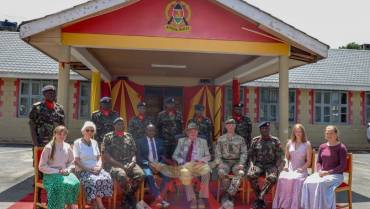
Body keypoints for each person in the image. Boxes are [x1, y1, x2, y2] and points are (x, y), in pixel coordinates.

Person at [301, 125, 348, 209]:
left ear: (336, 134)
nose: (329, 135)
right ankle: (310, 206)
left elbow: (342, 166)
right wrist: (319, 171)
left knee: (320, 184)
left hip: (336, 175)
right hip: (322, 173)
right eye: (327, 133)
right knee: (307, 182)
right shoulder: (322, 146)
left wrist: (328, 172)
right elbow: (318, 161)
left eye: (331, 133)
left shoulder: (341, 148)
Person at [102, 117, 144, 209]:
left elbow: (133, 152)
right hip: (114, 165)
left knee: (141, 174)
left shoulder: (129, 136)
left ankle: (126, 198)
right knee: (122, 175)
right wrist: (122, 166)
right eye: (118, 124)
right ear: (114, 126)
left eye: (122, 123)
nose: (121, 125)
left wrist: (133, 161)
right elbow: (107, 157)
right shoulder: (108, 137)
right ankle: (130, 200)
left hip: (129, 163)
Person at [73, 121, 113, 209]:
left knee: (107, 177)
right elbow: (76, 161)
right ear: (83, 131)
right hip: (83, 170)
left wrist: (99, 167)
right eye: (87, 130)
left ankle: (95, 202)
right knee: (94, 180)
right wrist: (88, 169)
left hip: (95, 169)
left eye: (92, 130)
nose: (89, 132)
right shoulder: (77, 143)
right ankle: (99, 204)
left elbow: (99, 158)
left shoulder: (94, 142)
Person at [38, 126, 80, 209]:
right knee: (59, 184)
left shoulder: (67, 146)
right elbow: (41, 166)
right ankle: (57, 207)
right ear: (55, 134)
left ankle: (69, 205)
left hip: (64, 173)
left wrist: (67, 169)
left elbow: (72, 162)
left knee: (76, 182)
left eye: (64, 134)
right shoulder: (48, 147)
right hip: (50, 175)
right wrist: (57, 171)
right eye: (60, 134)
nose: (62, 136)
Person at [272, 124, 312, 209]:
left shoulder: (307, 144)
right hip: (290, 168)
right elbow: (286, 158)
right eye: (296, 131)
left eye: (300, 131)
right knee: (282, 177)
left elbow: (308, 162)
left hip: (301, 168)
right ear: (293, 132)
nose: (298, 133)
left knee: (295, 179)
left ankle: (295, 205)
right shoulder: (289, 143)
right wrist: (286, 165)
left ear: (303, 132)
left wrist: (302, 168)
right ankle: (284, 204)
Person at [172, 122, 211, 209]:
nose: (193, 132)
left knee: (207, 172)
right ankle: (192, 198)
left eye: (195, 130)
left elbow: (208, 156)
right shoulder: (181, 141)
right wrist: (182, 161)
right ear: (187, 132)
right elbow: (175, 155)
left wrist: (202, 160)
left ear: (197, 132)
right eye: (190, 131)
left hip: (199, 165)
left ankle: (201, 197)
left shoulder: (203, 142)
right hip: (186, 165)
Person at [247, 121, 285, 209]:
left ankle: (259, 198)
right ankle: (260, 198)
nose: (265, 130)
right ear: (260, 130)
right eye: (263, 129)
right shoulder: (255, 140)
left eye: (266, 129)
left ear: (269, 129)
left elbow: (281, 156)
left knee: (272, 178)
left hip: (271, 165)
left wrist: (276, 167)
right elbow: (250, 155)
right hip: (258, 165)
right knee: (250, 175)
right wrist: (251, 165)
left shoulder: (275, 141)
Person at [215, 118, 247, 208]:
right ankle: (228, 196)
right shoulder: (221, 139)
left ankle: (229, 194)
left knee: (240, 173)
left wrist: (241, 163)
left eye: (232, 125)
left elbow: (244, 152)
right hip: (224, 162)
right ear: (225, 126)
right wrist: (219, 163)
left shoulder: (240, 139)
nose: (230, 126)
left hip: (236, 162)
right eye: (228, 125)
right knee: (221, 172)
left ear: (235, 126)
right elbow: (217, 153)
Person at [136, 124, 170, 208]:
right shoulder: (140, 141)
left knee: (167, 175)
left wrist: (159, 164)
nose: (151, 132)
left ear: (155, 132)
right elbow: (139, 157)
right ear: (146, 131)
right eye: (149, 130)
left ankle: (160, 195)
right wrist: (149, 164)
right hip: (147, 165)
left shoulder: (160, 141)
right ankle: (159, 198)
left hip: (159, 165)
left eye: (153, 130)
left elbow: (163, 155)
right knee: (149, 175)